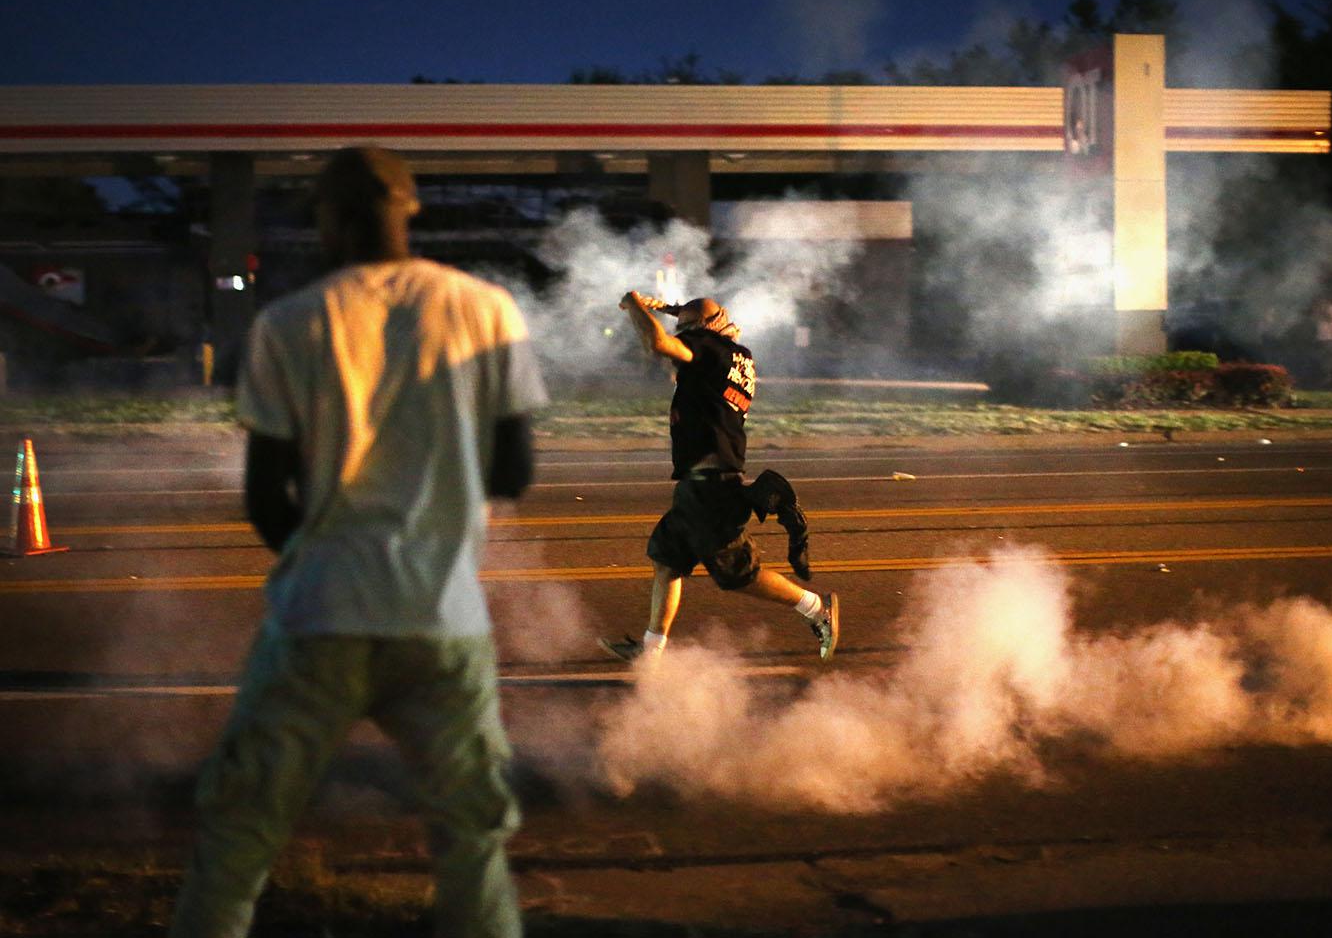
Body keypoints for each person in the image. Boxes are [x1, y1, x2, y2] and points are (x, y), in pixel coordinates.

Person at [169, 146, 547, 938]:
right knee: (472, 842)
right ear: (409, 208)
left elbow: (264, 496)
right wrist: (438, 501)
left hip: (320, 615)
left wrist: (324, 548)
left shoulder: (289, 323)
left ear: (331, 218)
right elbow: (513, 467)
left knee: (238, 838)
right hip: (442, 618)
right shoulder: (487, 309)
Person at [598, 290, 838, 663]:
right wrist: (670, 308)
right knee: (667, 560)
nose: (682, 339)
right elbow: (700, 320)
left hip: (711, 487)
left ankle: (816, 608)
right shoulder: (737, 356)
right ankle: (651, 652)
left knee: (739, 575)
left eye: (686, 330)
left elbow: (657, 343)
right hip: (699, 484)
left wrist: (634, 304)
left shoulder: (707, 347)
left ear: (700, 330)